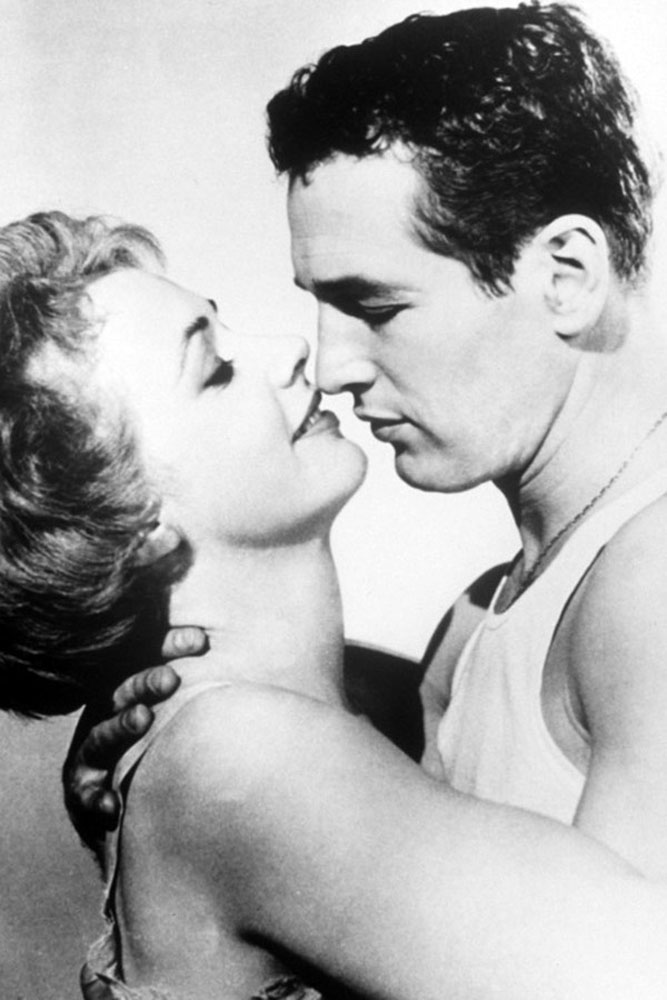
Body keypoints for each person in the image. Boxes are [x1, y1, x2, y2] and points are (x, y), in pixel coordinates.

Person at [63, 2, 667, 996]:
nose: (331, 364)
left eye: (374, 305)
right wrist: (169, 759)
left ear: (565, 274)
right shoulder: (481, 615)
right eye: (318, 303)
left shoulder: (649, 581)